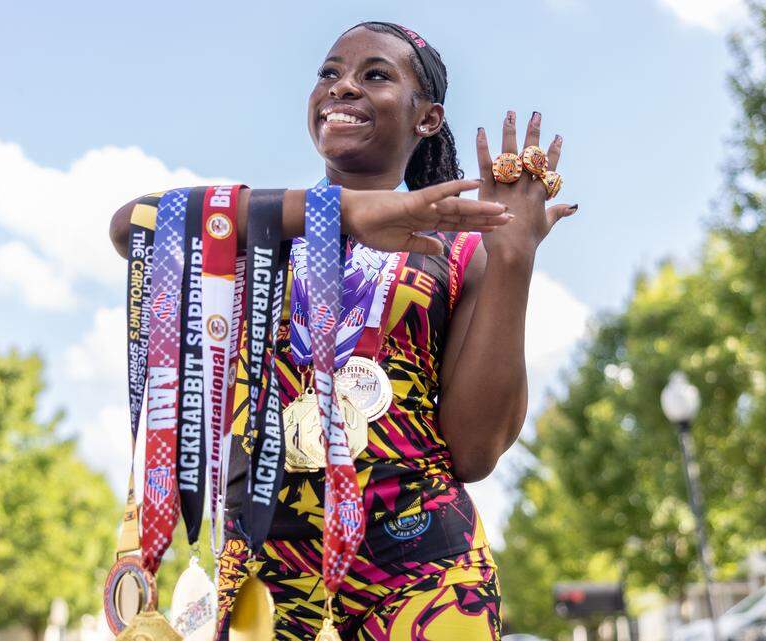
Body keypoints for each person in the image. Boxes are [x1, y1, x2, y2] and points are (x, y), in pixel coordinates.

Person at [109, 20, 576, 641]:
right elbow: (134, 225)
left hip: (420, 563)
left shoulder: (461, 251)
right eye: (328, 74)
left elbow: (475, 449)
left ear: (427, 119)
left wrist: (514, 258)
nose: (342, 88)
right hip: (262, 576)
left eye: (374, 75)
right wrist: (342, 213)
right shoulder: (261, 228)